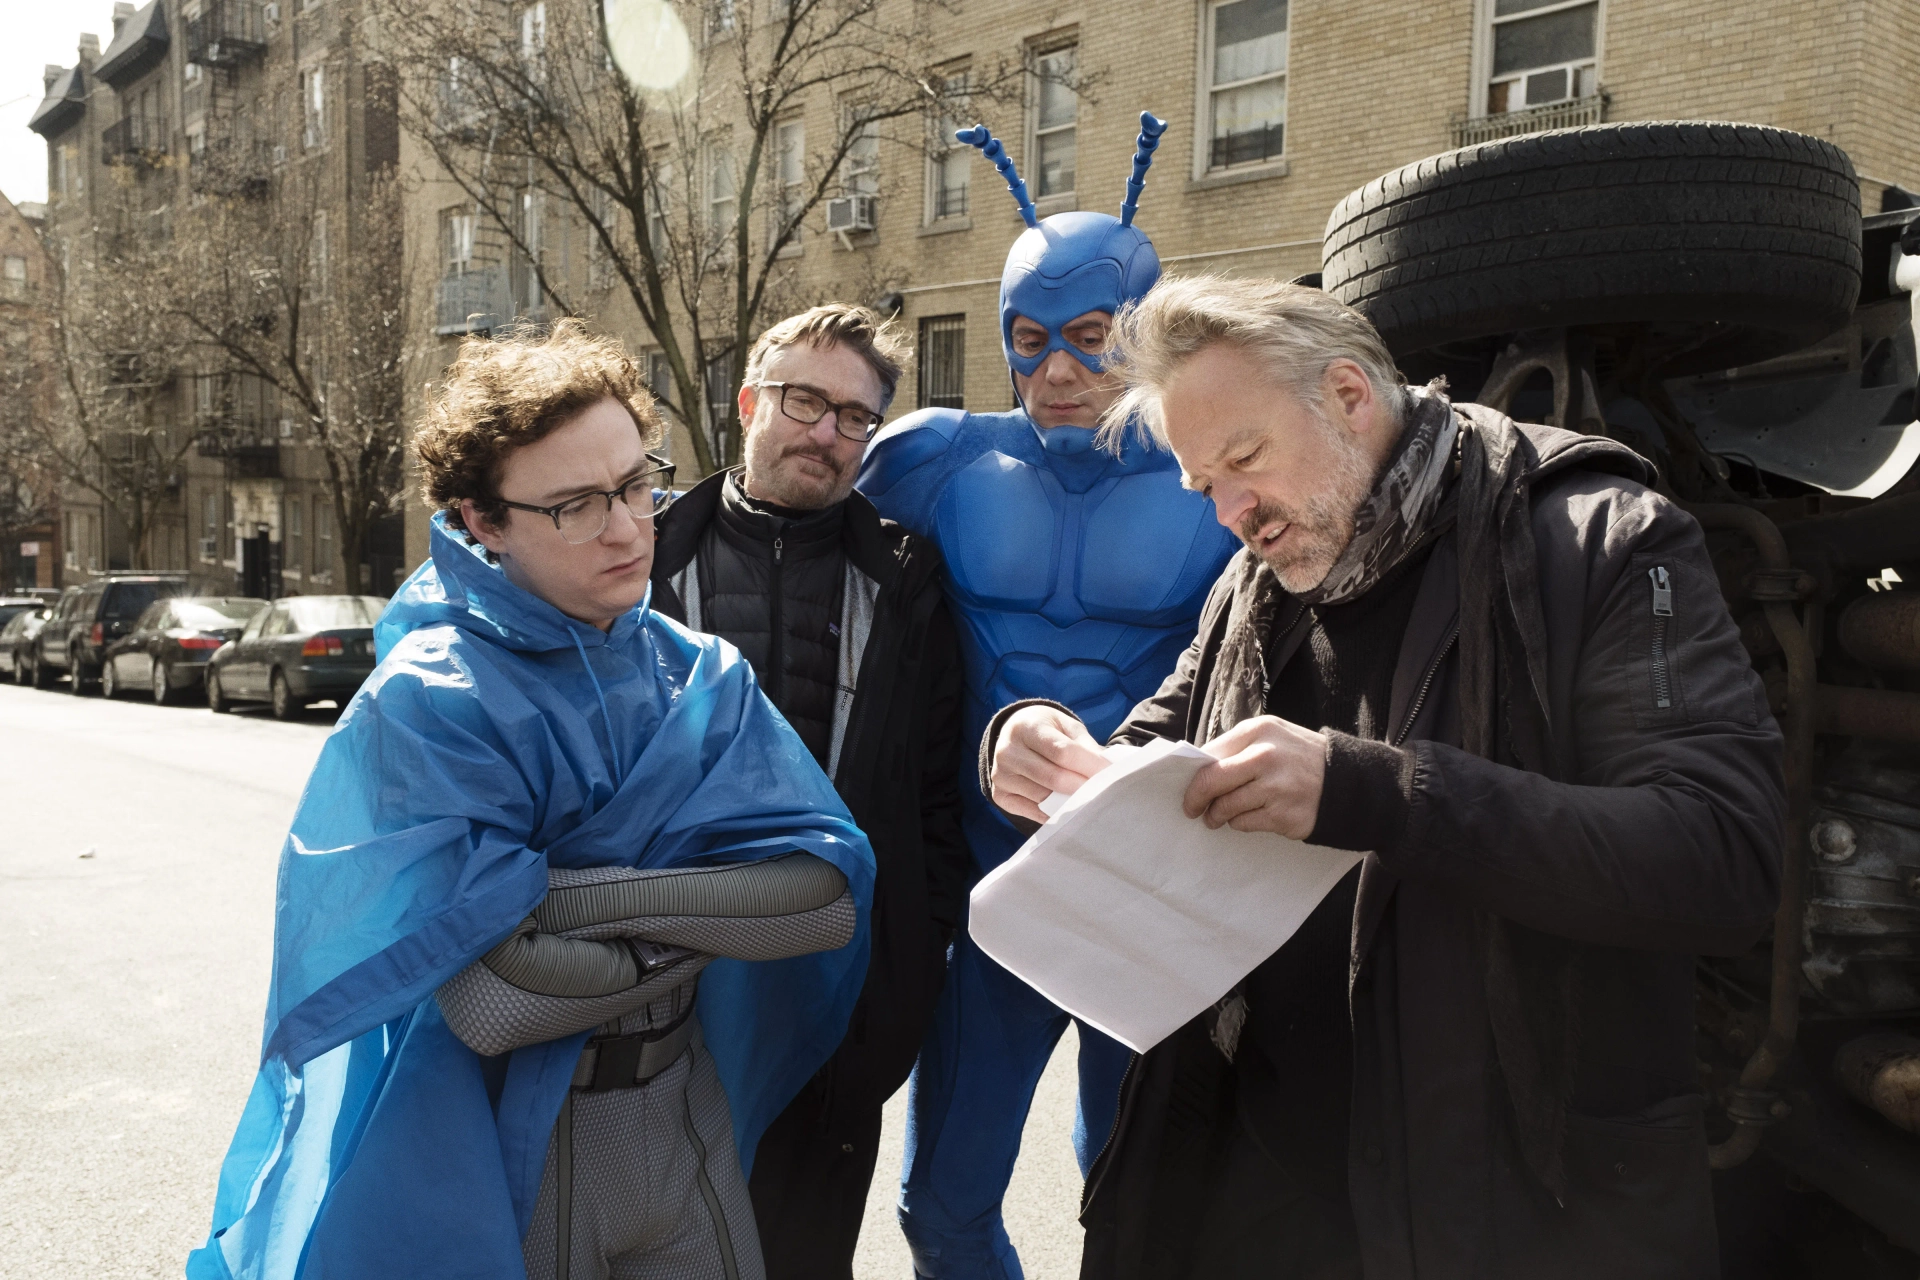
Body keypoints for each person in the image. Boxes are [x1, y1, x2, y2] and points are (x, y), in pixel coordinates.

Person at [986, 276, 1786, 1279]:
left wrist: (1376, 791)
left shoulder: (1601, 538)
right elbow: (1160, 740)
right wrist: (1035, 741)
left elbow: (1719, 855)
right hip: (1258, 1173)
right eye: (1207, 488)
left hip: (1507, 1211)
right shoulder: (1257, 577)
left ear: (1351, 395)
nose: (1233, 513)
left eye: (1245, 460)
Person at [186, 321, 876, 1280]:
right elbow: (493, 1000)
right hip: (508, 1154)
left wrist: (560, 900)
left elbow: (823, 899)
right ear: (483, 521)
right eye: (577, 506)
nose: (632, 528)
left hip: (685, 1128)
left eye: (639, 484)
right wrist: (706, 916)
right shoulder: (430, 699)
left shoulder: (699, 674)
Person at [857, 116, 1242, 1278]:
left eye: (1091, 337)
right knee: (942, 1209)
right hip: (993, 891)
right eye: (1030, 341)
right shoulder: (932, 462)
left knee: (1134, 1213)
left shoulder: (1219, 469)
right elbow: (789, 569)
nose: (1059, 372)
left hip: (1153, 887)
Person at [647, 303, 970, 1277]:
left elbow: (934, 805)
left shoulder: (909, 583)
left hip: (838, 1011)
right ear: (750, 400)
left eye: (854, 416)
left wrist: (901, 991)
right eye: (803, 401)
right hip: (666, 1003)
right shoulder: (648, 560)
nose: (826, 432)